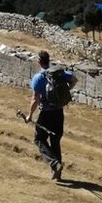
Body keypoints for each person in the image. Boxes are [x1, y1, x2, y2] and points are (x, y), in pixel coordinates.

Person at [24, 50, 77, 181]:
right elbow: (74, 80)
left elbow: (35, 99)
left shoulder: (38, 78)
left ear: (39, 62)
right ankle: (57, 173)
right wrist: (64, 91)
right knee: (55, 141)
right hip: (59, 112)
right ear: (48, 60)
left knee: (39, 139)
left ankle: (54, 164)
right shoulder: (58, 73)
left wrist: (29, 115)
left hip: (46, 113)